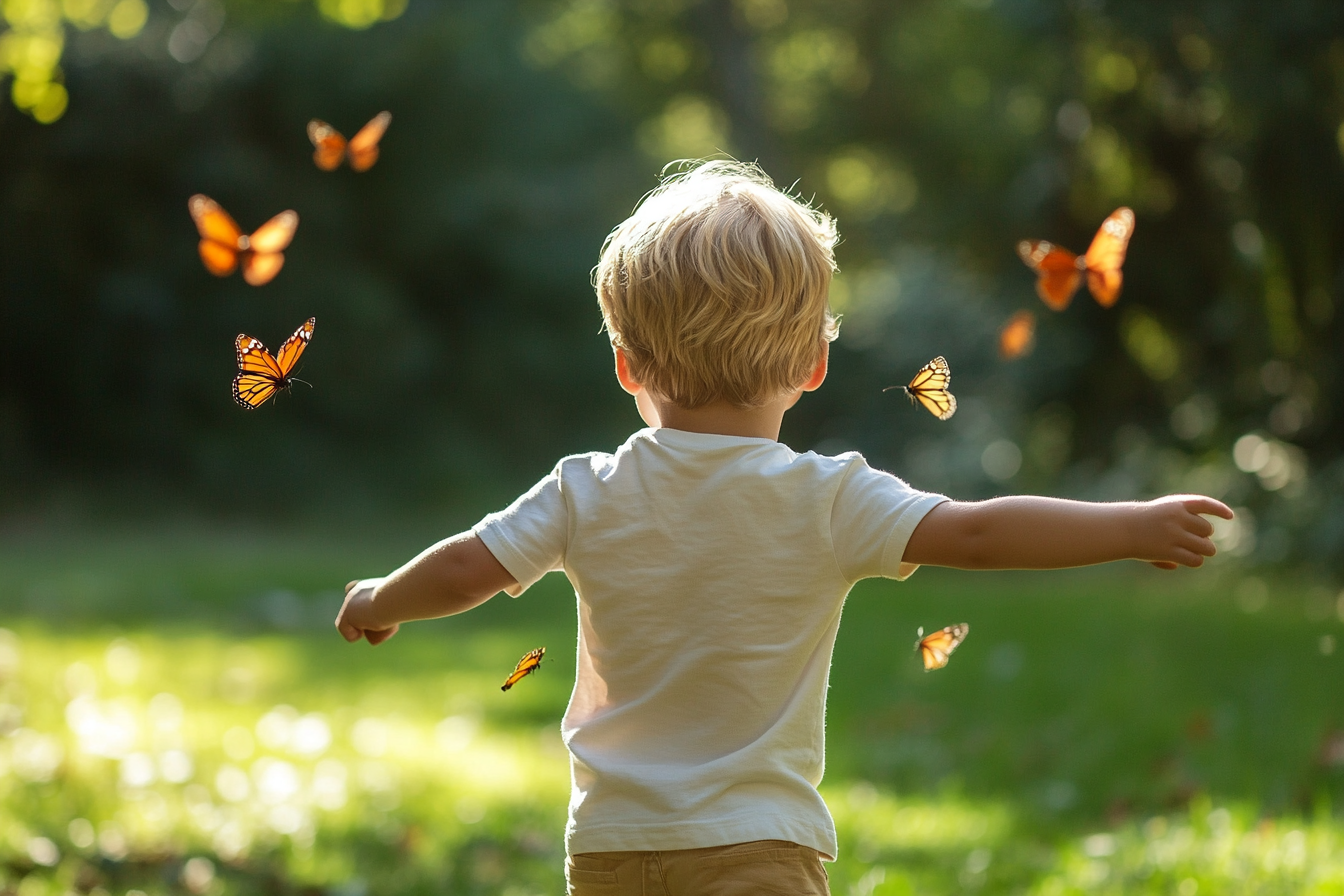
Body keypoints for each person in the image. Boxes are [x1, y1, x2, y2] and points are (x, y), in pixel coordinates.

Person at [336, 160, 1233, 895]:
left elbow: (465, 569)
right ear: (814, 363)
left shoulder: (586, 490)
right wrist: (1129, 525)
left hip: (613, 845)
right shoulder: (830, 496)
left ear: (624, 366)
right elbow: (979, 535)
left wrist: (383, 597)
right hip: (759, 846)